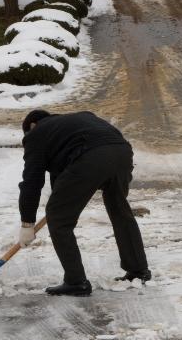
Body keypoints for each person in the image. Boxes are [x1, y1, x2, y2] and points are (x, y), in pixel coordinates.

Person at [17, 110, 149, 296]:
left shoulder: (36, 135)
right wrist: (62, 202)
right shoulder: (72, 124)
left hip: (90, 155)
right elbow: (61, 176)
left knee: (58, 219)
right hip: (121, 152)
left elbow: (32, 181)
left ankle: (75, 281)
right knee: (119, 208)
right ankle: (138, 271)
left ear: (32, 126)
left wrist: (27, 223)